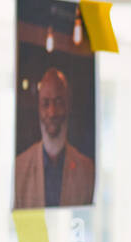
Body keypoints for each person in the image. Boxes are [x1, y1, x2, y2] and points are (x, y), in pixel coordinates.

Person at [13, 67, 96, 208]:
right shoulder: (19, 169)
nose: (52, 113)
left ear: (68, 106)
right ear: (38, 109)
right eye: (46, 103)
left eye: (58, 102)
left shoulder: (87, 171)